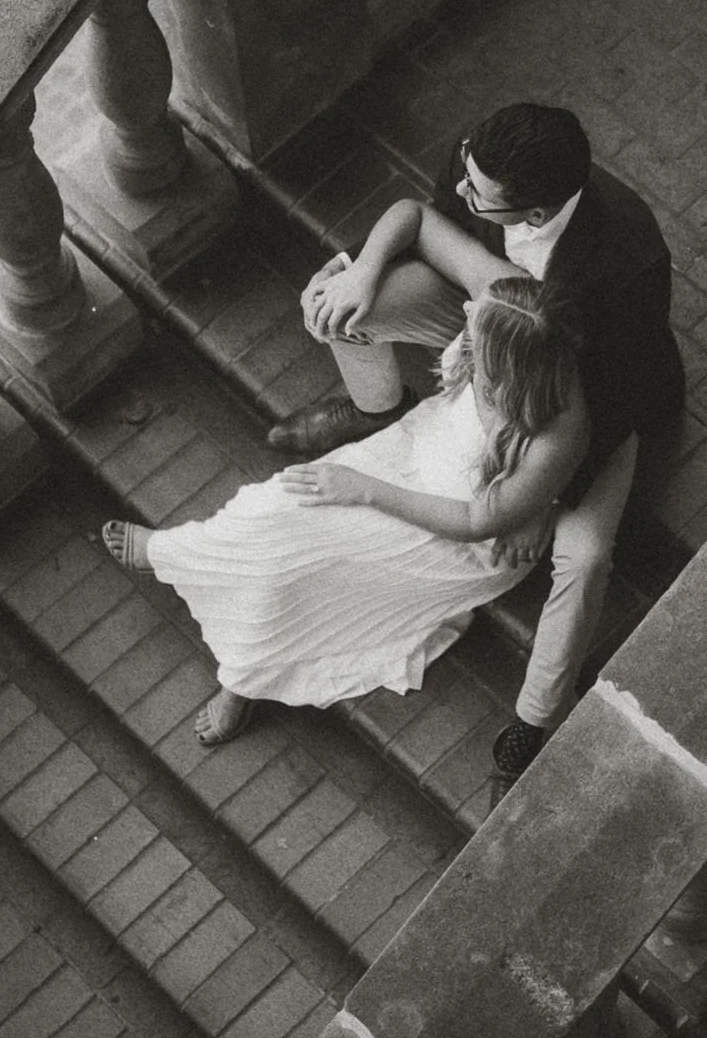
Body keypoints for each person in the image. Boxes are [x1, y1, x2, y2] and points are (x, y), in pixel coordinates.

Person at [266, 104, 685, 791]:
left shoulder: (627, 261)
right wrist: (364, 271)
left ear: (535, 208)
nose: (462, 191)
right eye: (464, 176)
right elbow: (428, 223)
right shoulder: (480, 164)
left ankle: (534, 720)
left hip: (584, 402)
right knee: (338, 305)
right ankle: (376, 406)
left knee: (584, 560)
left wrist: (542, 497)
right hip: (483, 335)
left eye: (478, 195)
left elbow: (622, 390)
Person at [102, 231, 587, 747]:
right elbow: (413, 215)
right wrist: (364, 270)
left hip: (456, 534)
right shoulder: (503, 300)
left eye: (475, 328)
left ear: (506, 369)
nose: (465, 311)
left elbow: (474, 524)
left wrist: (363, 489)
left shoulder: (553, 435)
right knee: (273, 507)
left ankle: (241, 678)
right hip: (411, 449)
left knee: (294, 573)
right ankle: (178, 551)